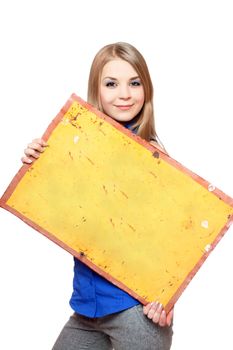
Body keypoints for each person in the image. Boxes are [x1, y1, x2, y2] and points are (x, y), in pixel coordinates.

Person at [21, 42, 174, 350]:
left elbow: (169, 235)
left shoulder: (152, 155)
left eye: (134, 83)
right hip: (86, 308)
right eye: (111, 84)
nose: (124, 94)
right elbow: (59, 205)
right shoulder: (78, 146)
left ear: (147, 89)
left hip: (135, 311)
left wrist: (167, 296)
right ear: (97, 90)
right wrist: (39, 161)